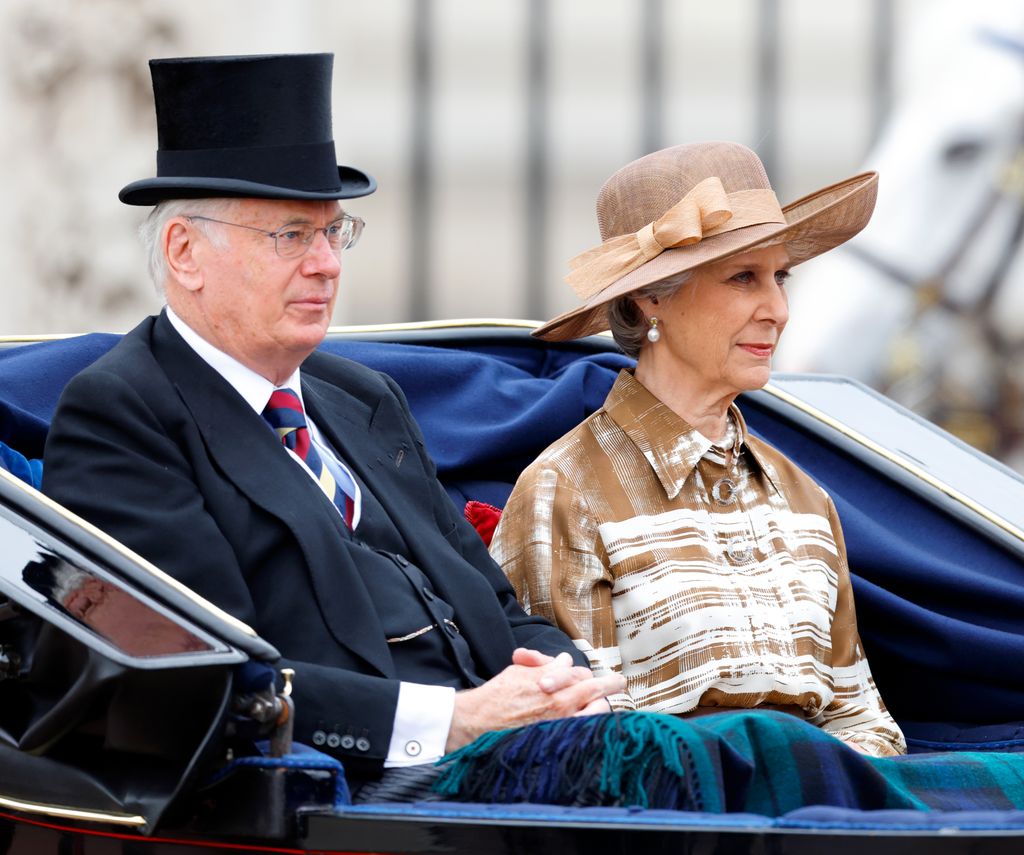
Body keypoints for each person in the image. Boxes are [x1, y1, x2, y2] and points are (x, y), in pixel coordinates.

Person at [41, 53, 623, 798]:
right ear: (186, 253)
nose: (326, 264)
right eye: (290, 235)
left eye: (334, 231)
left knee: (746, 751)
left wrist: (567, 687)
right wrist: (457, 718)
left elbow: (499, 610)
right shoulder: (124, 413)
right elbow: (207, 673)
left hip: (510, 751)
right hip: (360, 787)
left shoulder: (359, 396)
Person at [490, 141, 906, 757]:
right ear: (650, 298)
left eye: (780, 276)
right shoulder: (566, 488)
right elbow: (581, 737)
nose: (779, 310)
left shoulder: (804, 495)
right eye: (744, 278)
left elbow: (861, 716)